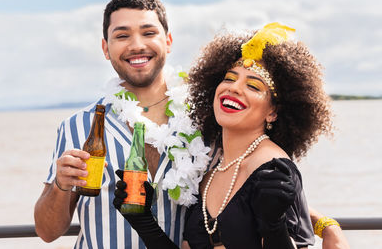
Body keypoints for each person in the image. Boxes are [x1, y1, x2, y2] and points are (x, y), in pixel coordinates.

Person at [34, 0, 348, 249]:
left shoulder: (208, 119)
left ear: (167, 41)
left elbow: (251, 187)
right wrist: (61, 186)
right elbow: (48, 232)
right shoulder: (79, 128)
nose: (137, 45)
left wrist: (325, 224)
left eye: (148, 32)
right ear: (106, 48)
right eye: (122, 35)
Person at [113, 23, 349, 249]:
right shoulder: (212, 171)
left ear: (273, 112)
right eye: (229, 78)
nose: (234, 88)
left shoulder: (274, 170)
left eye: (254, 86)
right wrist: (144, 222)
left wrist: (274, 228)